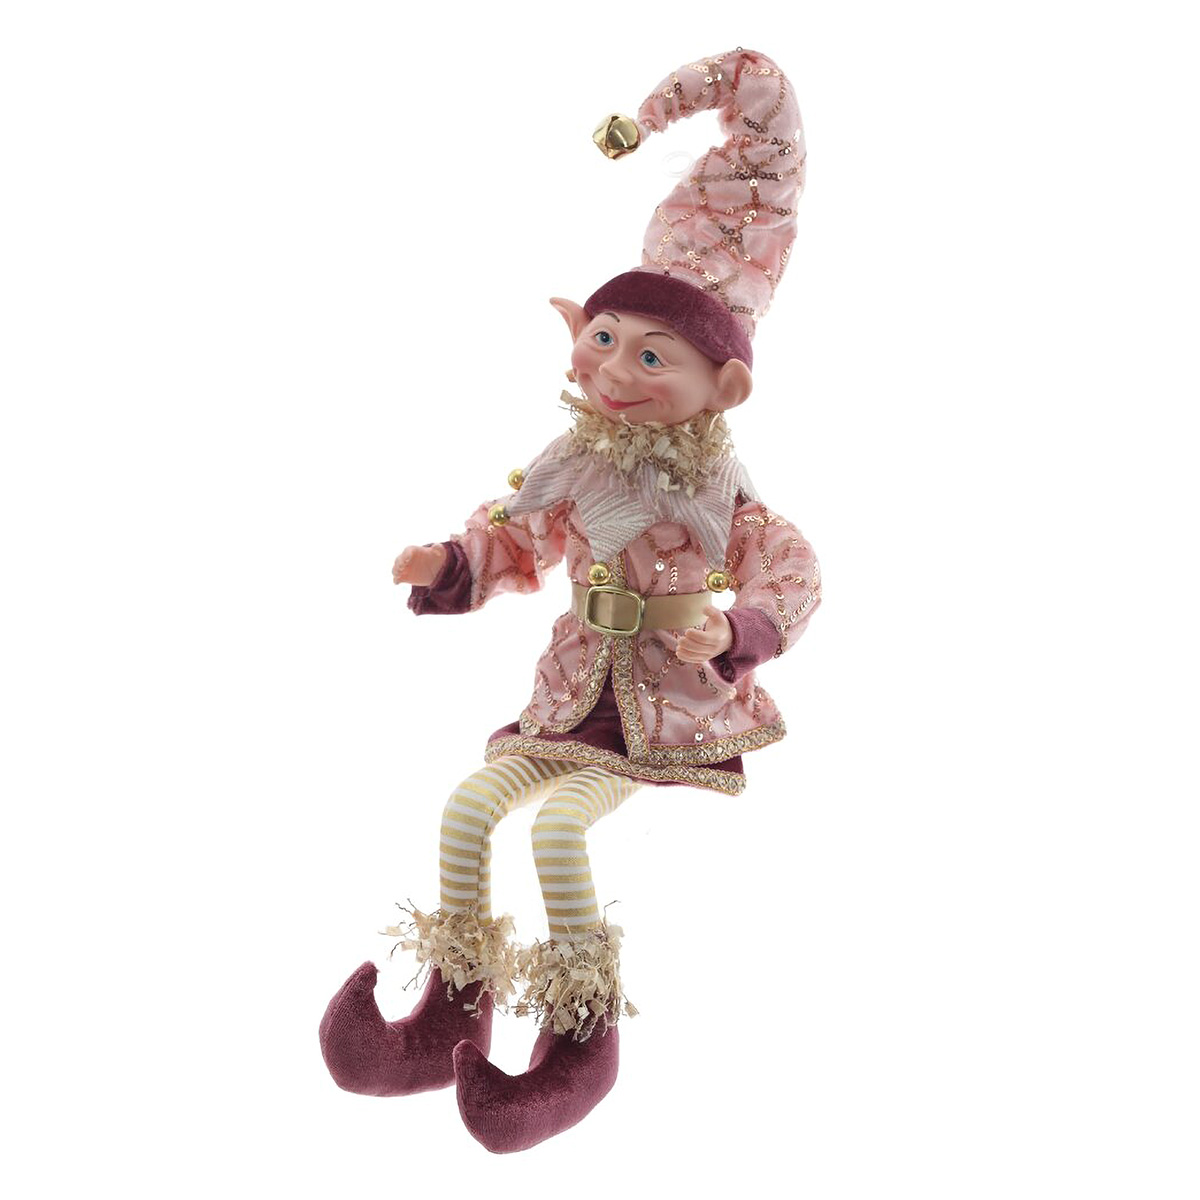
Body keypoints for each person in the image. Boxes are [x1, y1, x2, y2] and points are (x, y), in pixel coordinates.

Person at [319, 46, 821, 1154]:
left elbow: (790, 566)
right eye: (604, 340)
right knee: (467, 809)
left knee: (558, 831)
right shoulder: (577, 459)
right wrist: (449, 563)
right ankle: (450, 1011)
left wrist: (735, 629)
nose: (617, 370)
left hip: (662, 708)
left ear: (725, 385)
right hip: (567, 695)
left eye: (654, 356)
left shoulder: (716, 486)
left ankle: (582, 1039)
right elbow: (521, 532)